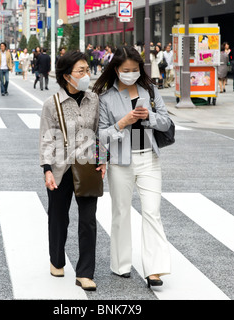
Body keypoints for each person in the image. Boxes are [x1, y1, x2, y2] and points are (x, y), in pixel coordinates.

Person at [93, 46, 172, 288]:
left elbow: (166, 121)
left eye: (135, 70)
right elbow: (101, 135)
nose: (131, 73)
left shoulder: (150, 90)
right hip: (120, 161)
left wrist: (148, 116)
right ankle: (121, 265)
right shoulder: (106, 98)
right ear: (116, 70)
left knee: (152, 212)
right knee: (121, 212)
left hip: (148, 158)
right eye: (126, 70)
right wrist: (123, 122)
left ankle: (155, 270)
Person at [39, 51, 105, 291]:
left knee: (88, 221)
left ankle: (85, 272)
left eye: (87, 69)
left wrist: (103, 159)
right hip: (59, 168)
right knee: (58, 218)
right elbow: (47, 138)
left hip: (87, 166)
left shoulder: (94, 100)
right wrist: (47, 170)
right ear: (67, 76)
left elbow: (100, 131)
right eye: (81, 71)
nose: (87, 74)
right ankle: (56, 259)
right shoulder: (51, 104)